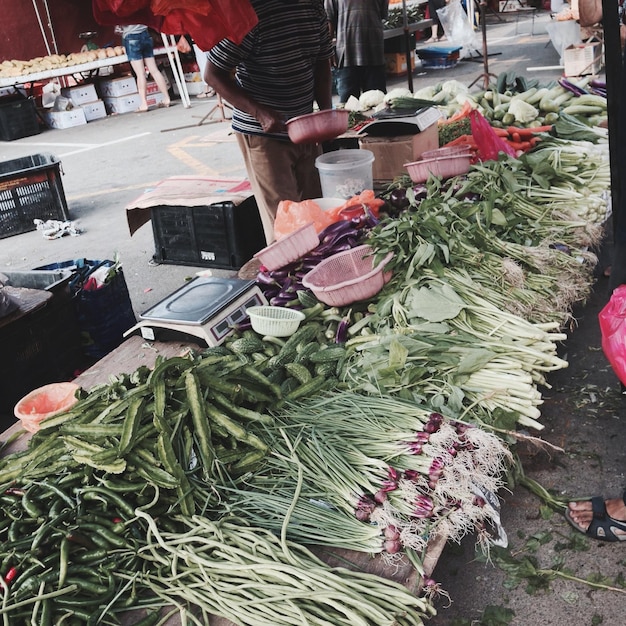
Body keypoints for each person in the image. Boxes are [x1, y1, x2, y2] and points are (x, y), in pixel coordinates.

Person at [205, 0, 334, 245]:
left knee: (316, 214)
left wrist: (325, 112)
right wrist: (260, 113)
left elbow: (322, 64)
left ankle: (320, 274)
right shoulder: (250, 14)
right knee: (286, 224)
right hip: (264, 134)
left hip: (305, 126)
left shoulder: (314, 7)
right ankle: (289, 281)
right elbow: (213, 74)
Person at [324, 0, 388, 104]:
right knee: (349, 109)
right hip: (347, 57)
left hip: (374, 54)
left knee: (378, 106)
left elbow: (382, 13)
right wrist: (327, 50)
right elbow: (329, 20)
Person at [120, 24, 171, 112]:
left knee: (140, 74)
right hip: (145, 35)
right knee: (154, 70)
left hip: (131, 36)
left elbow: (120, 26)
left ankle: (144, 103)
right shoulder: (140, 9)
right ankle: (167, 98)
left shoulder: (122, 9)